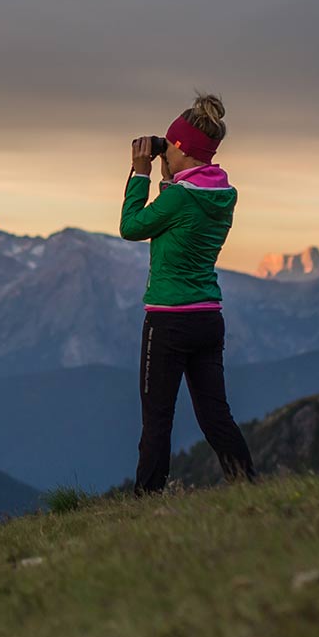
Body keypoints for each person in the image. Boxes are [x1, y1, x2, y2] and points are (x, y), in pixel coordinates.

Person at [119, 94, 257, 493]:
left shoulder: (179, 197)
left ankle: (147, 502)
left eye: (168, 142)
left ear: (180, 147)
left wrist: (141, 174)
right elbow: (179, 216)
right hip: (207, 318)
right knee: (216, 415)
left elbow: (132, 226)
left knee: (157, 419)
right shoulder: (221, 195)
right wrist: (168, 176)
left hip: (167, 320)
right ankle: (246, 485)